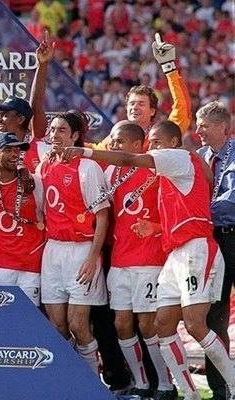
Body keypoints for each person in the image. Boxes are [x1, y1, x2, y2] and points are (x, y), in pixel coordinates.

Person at [61, 121, 235, 400]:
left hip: (196, 250)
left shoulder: (178, 158)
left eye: (156, 142)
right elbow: (182, 215)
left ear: (173, 142)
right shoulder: (169, 176)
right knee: (163, 326)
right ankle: (189, 394)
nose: (151, 147)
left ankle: (233, 385)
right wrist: (154, 227)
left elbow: (129, 159)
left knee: (195, 325)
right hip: (176, 253)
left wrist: (85, 152)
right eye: (150, 142)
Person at [104, 121, 174, 398]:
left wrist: (154, 228)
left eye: (120, 141)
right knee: (121, 324)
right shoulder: (110, 172)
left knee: (147, 324)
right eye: (112, 140)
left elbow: (171, 212)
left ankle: (166, 385)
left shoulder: (155, 170)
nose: (114, 145)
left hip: (149, 258)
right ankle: (141, 384)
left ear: (137, 145)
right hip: (119, 259)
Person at [35, 111, 109, 373]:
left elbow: (102, 216)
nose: (54, 135)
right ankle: (69, 378)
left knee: (78, 325)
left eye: (62, 130)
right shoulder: (43, 166)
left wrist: (92, 257)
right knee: (57, 327)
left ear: (75, 136)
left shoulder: (87, 167)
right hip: (53, 250)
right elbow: (41, 211)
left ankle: (91, 382)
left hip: (81, 250)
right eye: (52, 129)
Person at [195, 101, 235, 400]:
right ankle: (220, 388)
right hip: (211, 240)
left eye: (204, 125)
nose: (198, 131)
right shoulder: (199, 157)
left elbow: (231, 199)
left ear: (223, 127)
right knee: (213, 314)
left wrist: (196, 213)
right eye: (198, 125)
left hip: (232, 234)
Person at [0, 133, 45, 304]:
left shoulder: (34, 183)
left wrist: (25, 171)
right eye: (8, 150)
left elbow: (44, 215)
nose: (15, 154)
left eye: (17, 150)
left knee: (27, 317)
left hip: (30, 264)